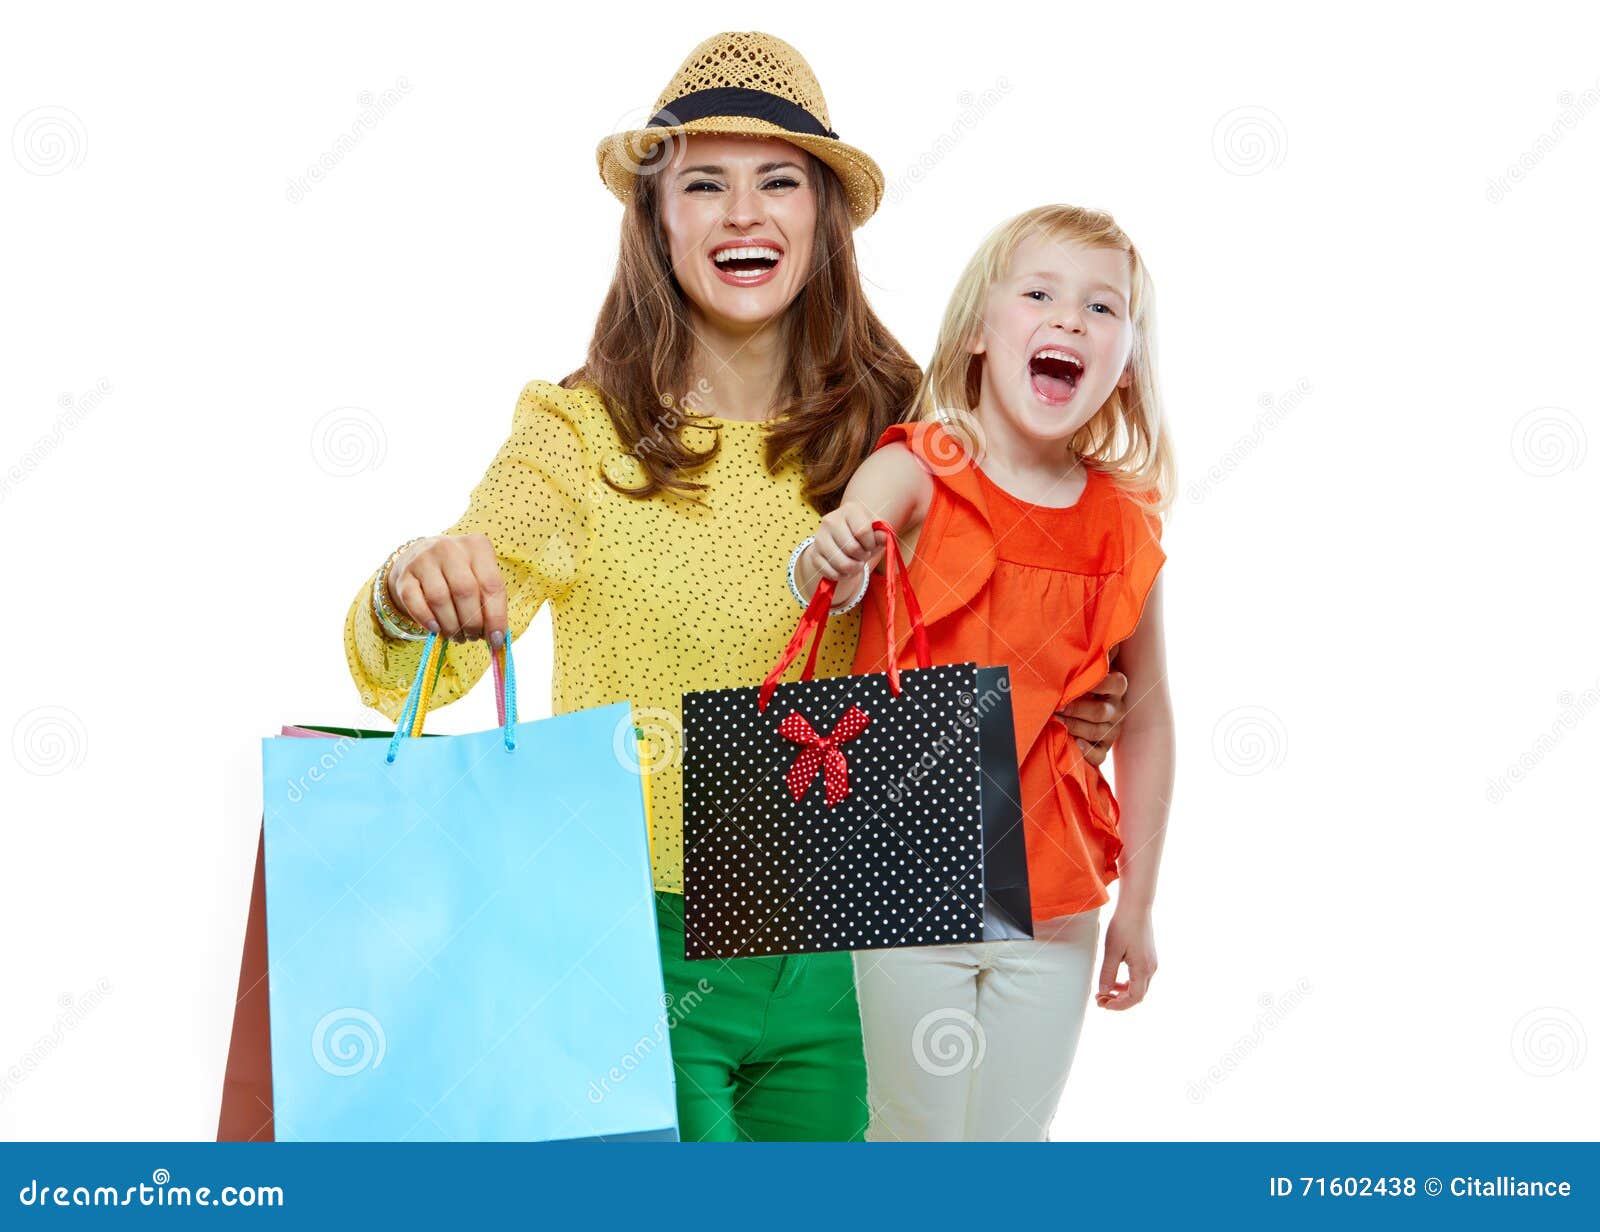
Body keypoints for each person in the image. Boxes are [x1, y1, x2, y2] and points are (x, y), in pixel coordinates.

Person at [344, 34, 1132, 1141]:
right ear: (656, 221)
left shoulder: (916, 429)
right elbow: (422, 666)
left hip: (869, 937)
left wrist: (1092, 699)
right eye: (702, 184)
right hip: (638, 937)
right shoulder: (580, 435)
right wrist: (409, 588)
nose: (740, 214)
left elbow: (1024, 610)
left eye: (778, 182)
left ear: (824, 219)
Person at [792, 204, 1175, 1141]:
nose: (1069, 321)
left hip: (1056, 904)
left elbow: (1152, 717)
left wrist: (1141, 907)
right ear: (977, 332)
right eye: (1039, 294)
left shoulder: (1124, 525)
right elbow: (834, 569)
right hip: (915, 879)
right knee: (913, 1140)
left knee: (1011, 1151)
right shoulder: (923, 466)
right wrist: (831, 557)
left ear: (1124, 359)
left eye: (1102, 308)